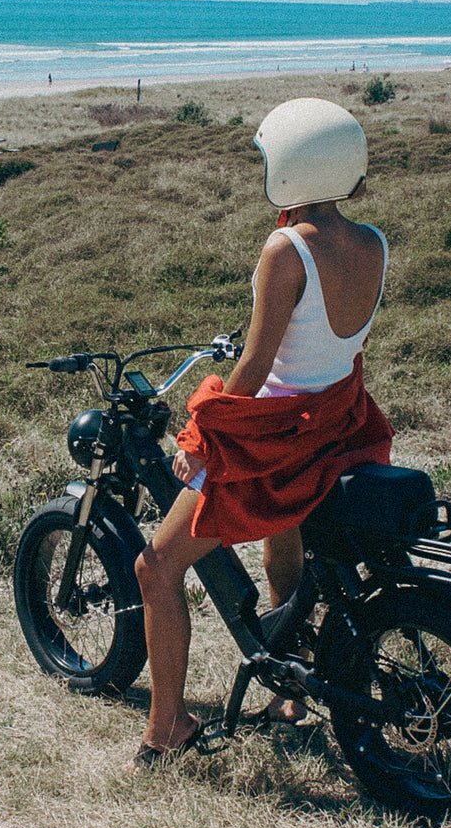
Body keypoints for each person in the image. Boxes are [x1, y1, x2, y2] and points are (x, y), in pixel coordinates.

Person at [130, 98, 394, 770]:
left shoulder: (286, 248)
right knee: (285, 553)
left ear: (287, 169)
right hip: (331, 426)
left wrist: (200, 433)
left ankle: (167, 728)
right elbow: (330, 346)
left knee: (155, 567)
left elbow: (252, 370)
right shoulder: (373, 242)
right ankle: (287, 695)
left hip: (275, 440)